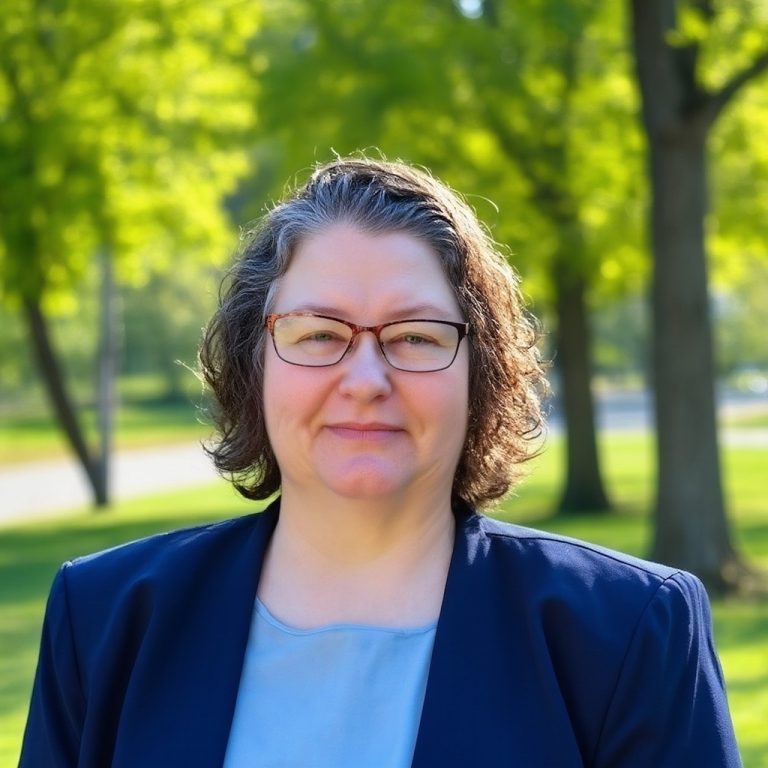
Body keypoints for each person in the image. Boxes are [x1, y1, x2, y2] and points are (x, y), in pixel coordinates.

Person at [20, 157, 741, 767]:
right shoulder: (104, 620)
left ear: (480, 372)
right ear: (254, 361)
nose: (365, 380)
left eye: (415, 337)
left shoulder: (629, 632)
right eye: (317, 334)